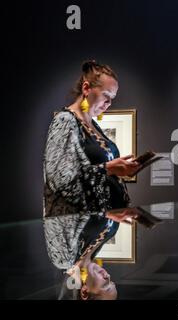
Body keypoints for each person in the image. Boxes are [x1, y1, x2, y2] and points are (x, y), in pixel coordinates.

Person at [43, 60, 141, 299]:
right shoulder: (66, 121)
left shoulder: (92, 125)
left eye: (112, 98)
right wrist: (108, 168)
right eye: (106, 96)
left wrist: (119, 171)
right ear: (87, 89)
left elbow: (93, 176)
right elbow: (58, 178)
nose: (109, 103)